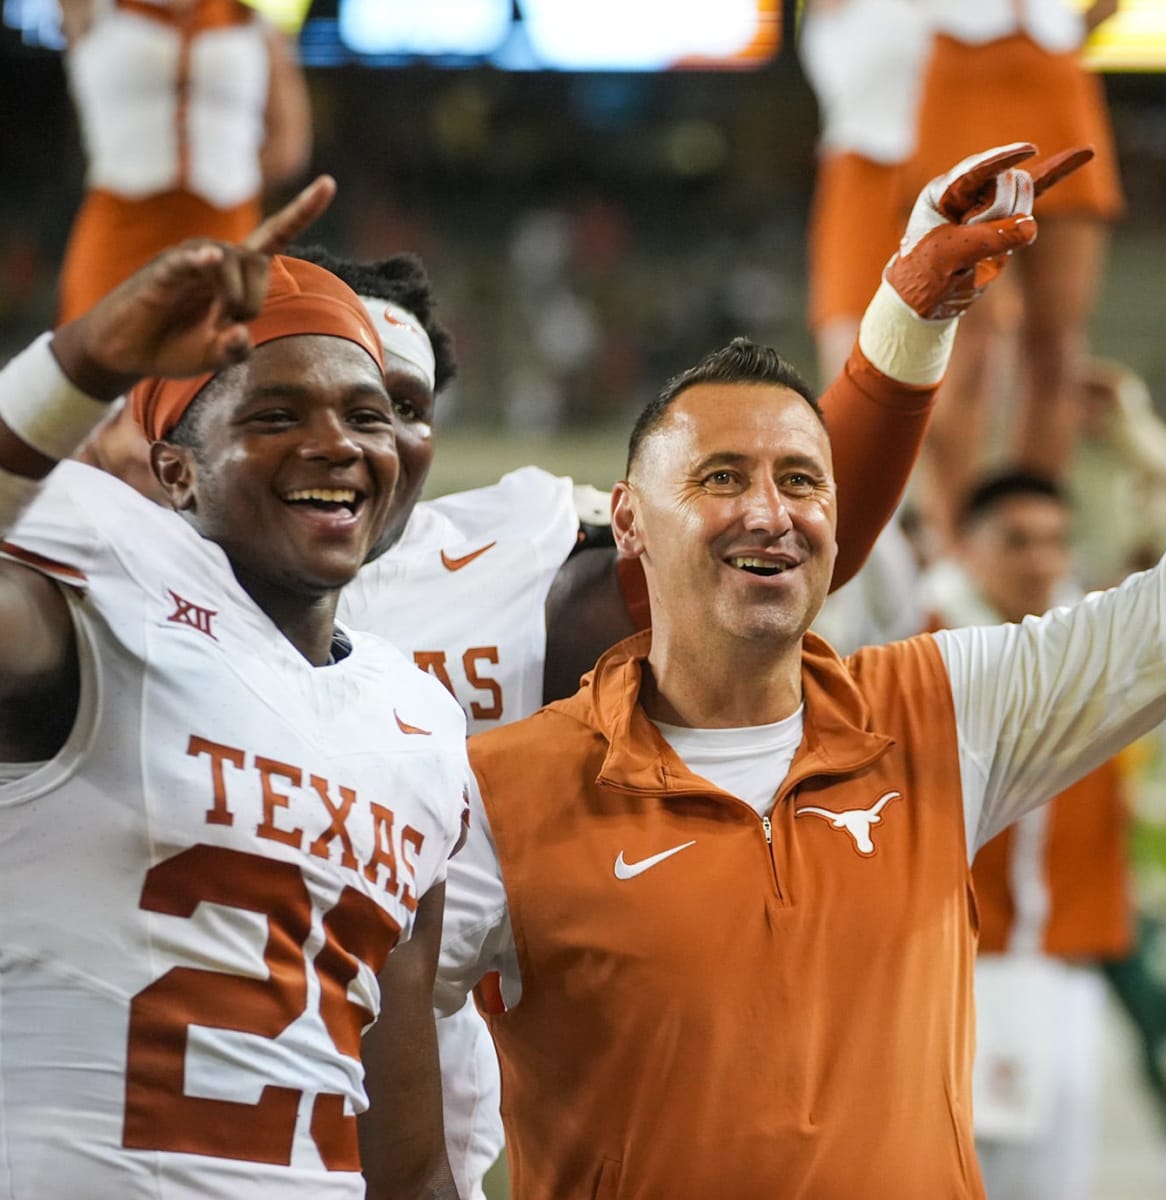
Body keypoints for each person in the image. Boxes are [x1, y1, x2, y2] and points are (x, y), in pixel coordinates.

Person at [308, 142, 1070, 1199]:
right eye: (319, 397)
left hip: (445, 1106)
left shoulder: (516, 540)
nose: (365, 437)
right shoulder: (145, 581)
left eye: (402, 400)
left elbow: (760, 559)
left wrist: (903, 324)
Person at [0, 182, 466, 1198]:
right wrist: (85, 362)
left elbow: (410, 1160)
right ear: (175, 474)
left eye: (367, 414)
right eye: (276, 413)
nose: (338, 443)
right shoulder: (90, 613)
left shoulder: (420, 724)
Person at [924, 471, 1133, 1200]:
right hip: (953, 968)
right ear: (968, 551)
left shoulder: (1100, 648)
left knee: (1058, 1183)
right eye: (1016, 541)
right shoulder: (921, 649)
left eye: (1053, 541)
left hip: (1069, 966)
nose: (1040, 560)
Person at [907, 0, 1124, 552]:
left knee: (1058, 349)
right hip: (963, 79)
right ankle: (958, 550)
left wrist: (1068, 28)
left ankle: (1037, 537)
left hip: (1057, 80)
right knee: (970, 352)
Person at [56, 0, 312, 322]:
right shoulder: (90, 7)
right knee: (92, 357)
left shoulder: (258, 16)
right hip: (121, 233)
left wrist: (232, 175)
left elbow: (288, 148)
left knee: (226, 363)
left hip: (227, 233)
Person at [800, 0, 931, 387]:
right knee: (852, 349)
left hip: (947, 166)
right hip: (862, 168)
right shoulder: (846, 12)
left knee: (966, 347)